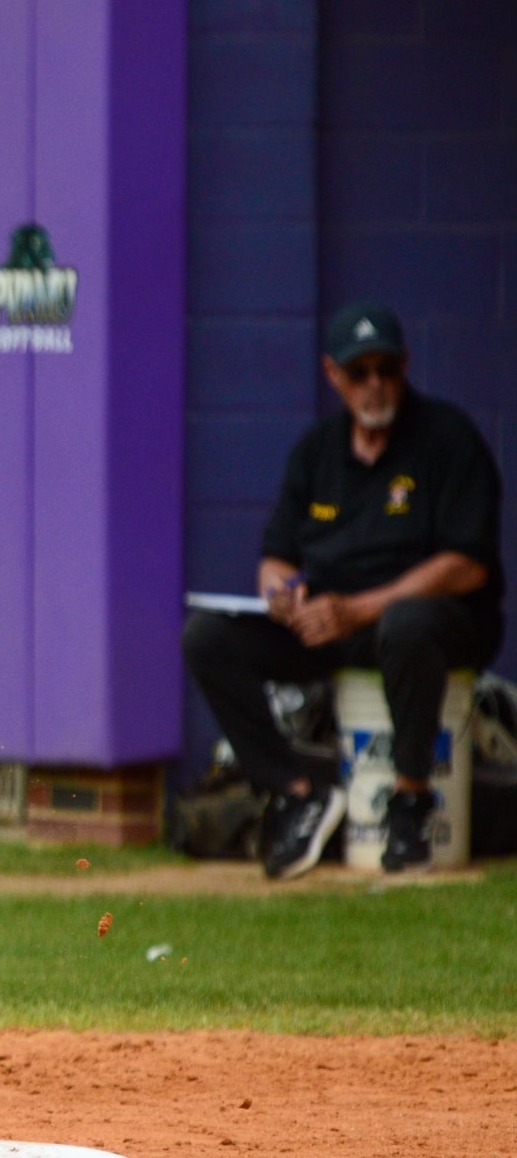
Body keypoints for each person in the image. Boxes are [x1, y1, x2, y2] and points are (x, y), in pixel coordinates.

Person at [183, 303, 504, 878]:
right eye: (360, 373)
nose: (374, 384)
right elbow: (277, 556)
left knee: (408, 623)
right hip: (333, 622)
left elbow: (468, 565)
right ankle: (296, 792)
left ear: (406, 368)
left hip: (434, 625)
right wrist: (284, 597)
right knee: (208, 637)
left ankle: (409, 803)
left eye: (386, 370)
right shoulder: (317, 451)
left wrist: (358, 610)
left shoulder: (448, 438)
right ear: (335, 376)